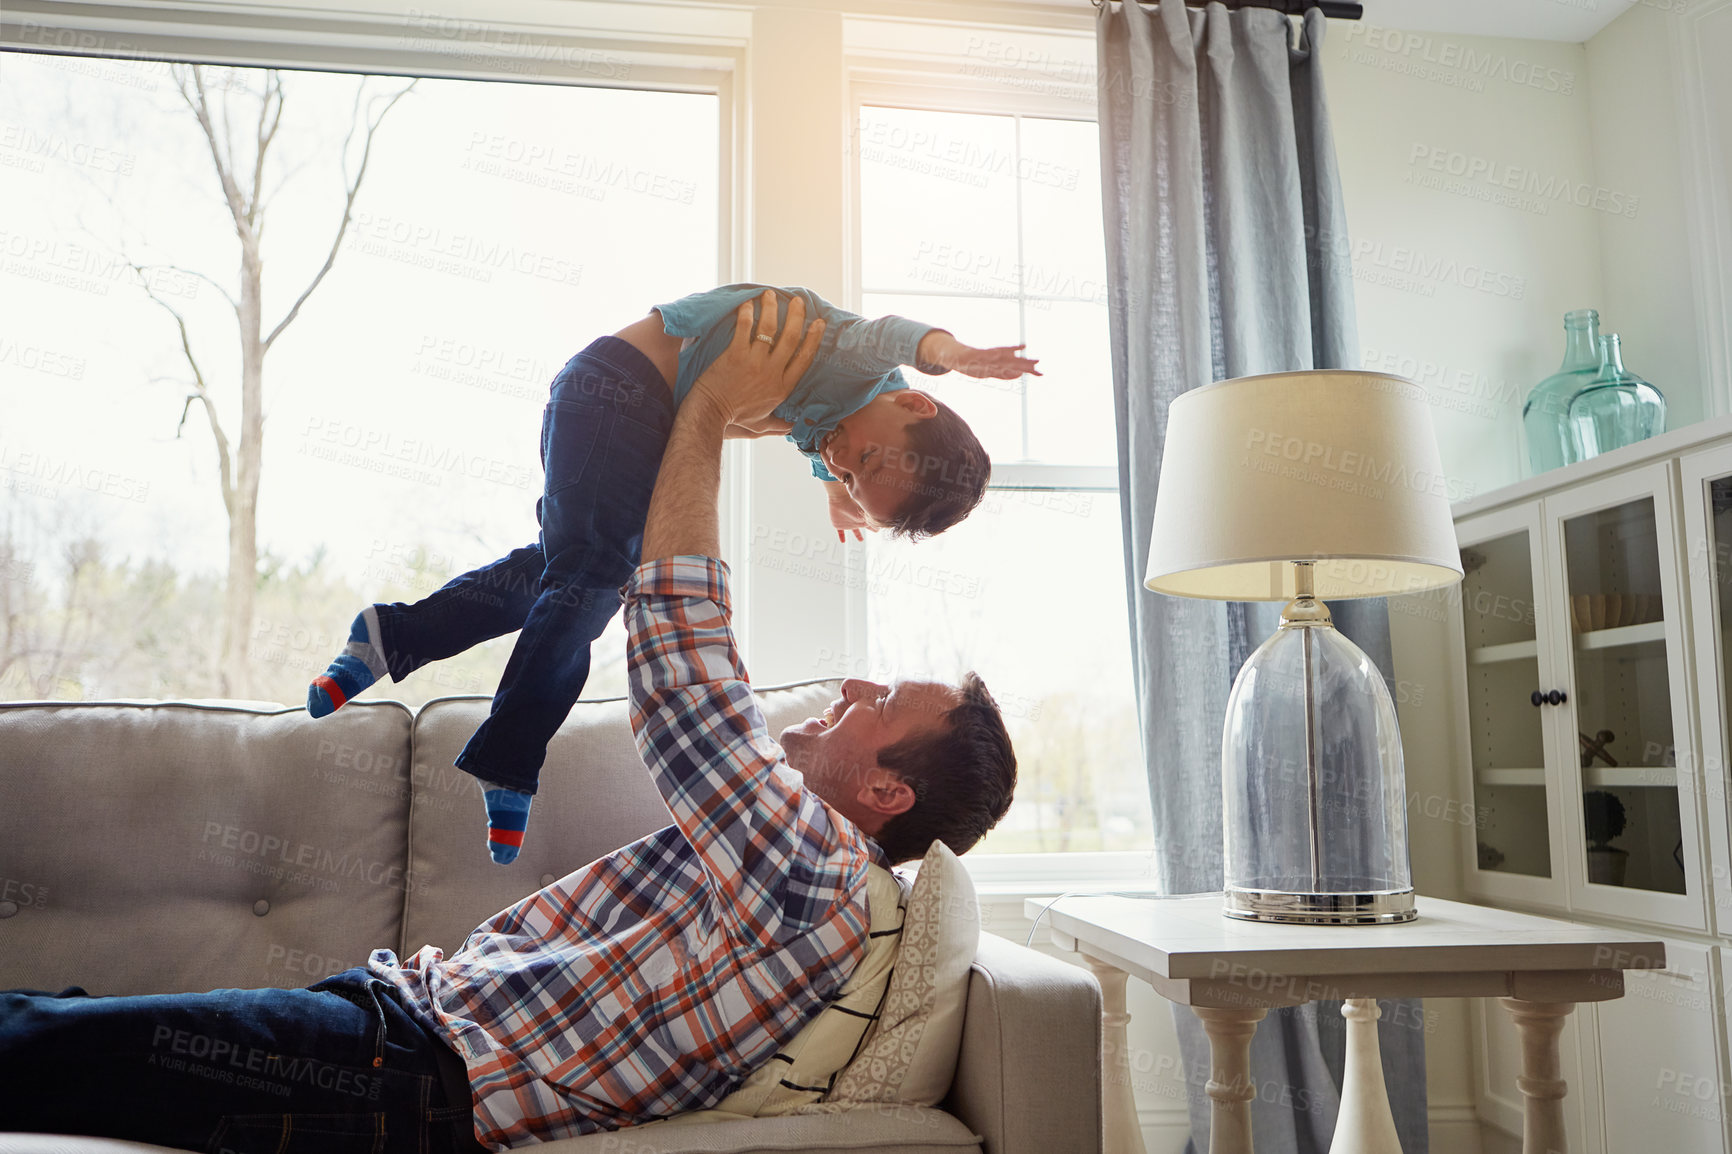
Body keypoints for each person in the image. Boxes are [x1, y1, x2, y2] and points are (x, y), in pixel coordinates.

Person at [0, 299, 1019, 1152]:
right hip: (403, 1026)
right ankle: (395, 634)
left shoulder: (822, 880)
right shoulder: (796, 867)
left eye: (878, 703)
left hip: (410, 1069)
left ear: (888, 792)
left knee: (44, 1039)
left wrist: (704, 406)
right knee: (73, 1032)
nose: (850, 683)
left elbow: (685, 683)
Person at [304, 284, 1037, 863]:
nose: (843, 458)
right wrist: (959, 353)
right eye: (863, 461)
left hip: (633, 408)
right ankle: (510, 755)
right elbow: (900, 334)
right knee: (592, 583)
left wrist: (832, 488)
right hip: (619, 391)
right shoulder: (861, 362)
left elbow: (824, 439)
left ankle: (394, 635)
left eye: (851, 471)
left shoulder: (841, 421)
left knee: (571, 572)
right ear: (914, 400)